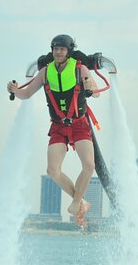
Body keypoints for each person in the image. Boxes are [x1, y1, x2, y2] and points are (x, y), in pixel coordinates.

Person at [7, 34, 100, 227]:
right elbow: (26, 94)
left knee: (89, 166)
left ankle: (75, 204)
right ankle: (80, 202)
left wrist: (91, 85)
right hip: (58, 126)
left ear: (69, 51)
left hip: (79, 124)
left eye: (62, 49)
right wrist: (14, 90)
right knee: (52, 170)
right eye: (55, 49)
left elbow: (96, 92)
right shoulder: (44, 72)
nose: (58, 52)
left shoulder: (79, 68)